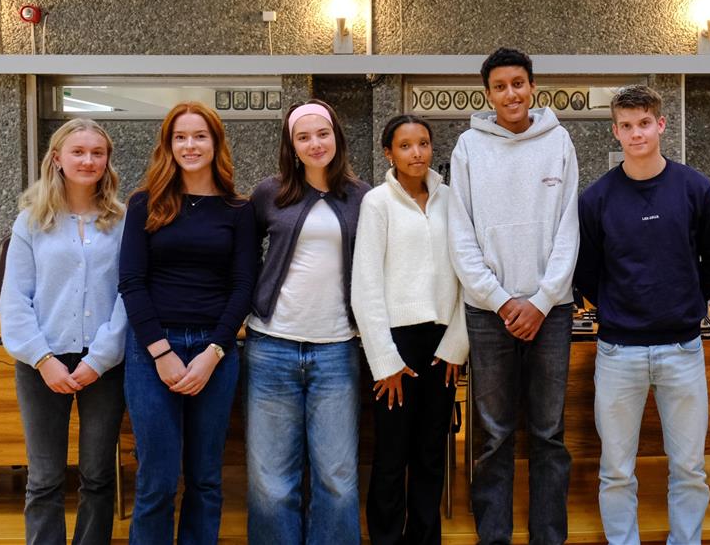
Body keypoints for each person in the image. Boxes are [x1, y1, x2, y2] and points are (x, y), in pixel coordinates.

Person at [574, 85, 710, 545]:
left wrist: (686, 300)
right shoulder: (596, 198)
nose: (636, 133)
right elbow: (586, 272)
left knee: (689, 468)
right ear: (615, 131)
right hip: (618, 350)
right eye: (626, 125)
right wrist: (618, 305)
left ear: (661, 124)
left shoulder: (696, 188)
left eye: (644, 123)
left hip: (682, 348)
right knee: (616, 470)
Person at [447, 47, 580, 545]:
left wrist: (542, 301)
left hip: (552, 311)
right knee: (494, 434)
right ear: (488, 95)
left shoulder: (559, 141)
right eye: (500, 87)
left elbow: (569, 229)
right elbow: (460, 235)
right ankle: (494, 537)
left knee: (549, 433)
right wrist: (501, 300)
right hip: (488, 313)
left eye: (518, 84)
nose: (511, 94)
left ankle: (549, 537)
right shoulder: (468, 147)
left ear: (533, 88)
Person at [118, 102, 257, 545]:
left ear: (216, 143)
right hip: (152, 351)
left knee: (205, 478)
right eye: (180, 137)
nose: (190, 145)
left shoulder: (239, 209)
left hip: (214, 352)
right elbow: (131, 282)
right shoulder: (144, 203)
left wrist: (213, 353)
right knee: (156, 480)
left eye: (200, 136)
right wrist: (161, 352)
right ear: (168, 145)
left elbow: (243, 287)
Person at [246, 99, 370, 545]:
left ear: (337, 137)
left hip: (337, 347)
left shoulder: (362, 196)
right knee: (271, 479)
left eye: (323, 134)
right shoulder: (268, 193)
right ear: (291, 145)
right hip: (271, 346)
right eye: (303, 137)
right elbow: (243, 259)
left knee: (336, 476)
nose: (315, 143)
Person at [0, 117, 128, 545]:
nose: (88, 160)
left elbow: (129, 295)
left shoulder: (122, 221)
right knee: (44, 478)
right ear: (57, 158)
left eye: (97, 152)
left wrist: (100, 359)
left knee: (98, 475)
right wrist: (42, 359)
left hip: (103, 365)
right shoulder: (31, 221)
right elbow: (15, 299)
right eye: (78, 152)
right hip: (43, 363)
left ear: (107, 160)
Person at [353, 114, 468, 545]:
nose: (416, 153)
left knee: (431, 453)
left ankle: (424, 537)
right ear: (389, 153)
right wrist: (384, 362)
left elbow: (468, 276)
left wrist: (457, 344)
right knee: (391, 454)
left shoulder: (452, 200)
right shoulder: (377, 203)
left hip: (442, 345)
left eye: (423, 143)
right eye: (405, 146)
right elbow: (365, 286)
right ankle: (385, 538)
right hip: (395, 345)